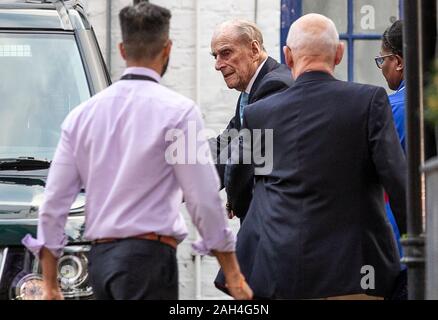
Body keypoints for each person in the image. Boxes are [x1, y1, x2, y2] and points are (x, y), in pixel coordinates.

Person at [22, 2, 252, 301]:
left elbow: (53, 203)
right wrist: (233, 273)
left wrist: (51, 283)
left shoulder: (83, 116)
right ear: (167, 49)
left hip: (100, 261)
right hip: (149, 260)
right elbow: (203, 198)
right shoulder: (179, 113)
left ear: (121, 50)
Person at [216, 13, 407, 299]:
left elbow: (242, 179)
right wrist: (416, 248)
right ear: (339, 54)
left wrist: (237, 202)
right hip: (355, 271)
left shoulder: (258, 112)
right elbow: (397, 182)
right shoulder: (370, 102)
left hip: (282, 269)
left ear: (288, 56)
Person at [210, 20, 294, 220]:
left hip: (275, 221)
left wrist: (183, 187)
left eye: (226, 53)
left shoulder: (274, 86)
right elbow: (225, 142)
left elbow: (244, 154)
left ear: (254, 50)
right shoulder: (252, 88)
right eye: (215, 56)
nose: (218, 65)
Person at [375, 19, 407, 300]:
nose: (382, 67)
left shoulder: (392, 108)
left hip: (400, 241)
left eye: (382, 59)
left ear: (397, 61)